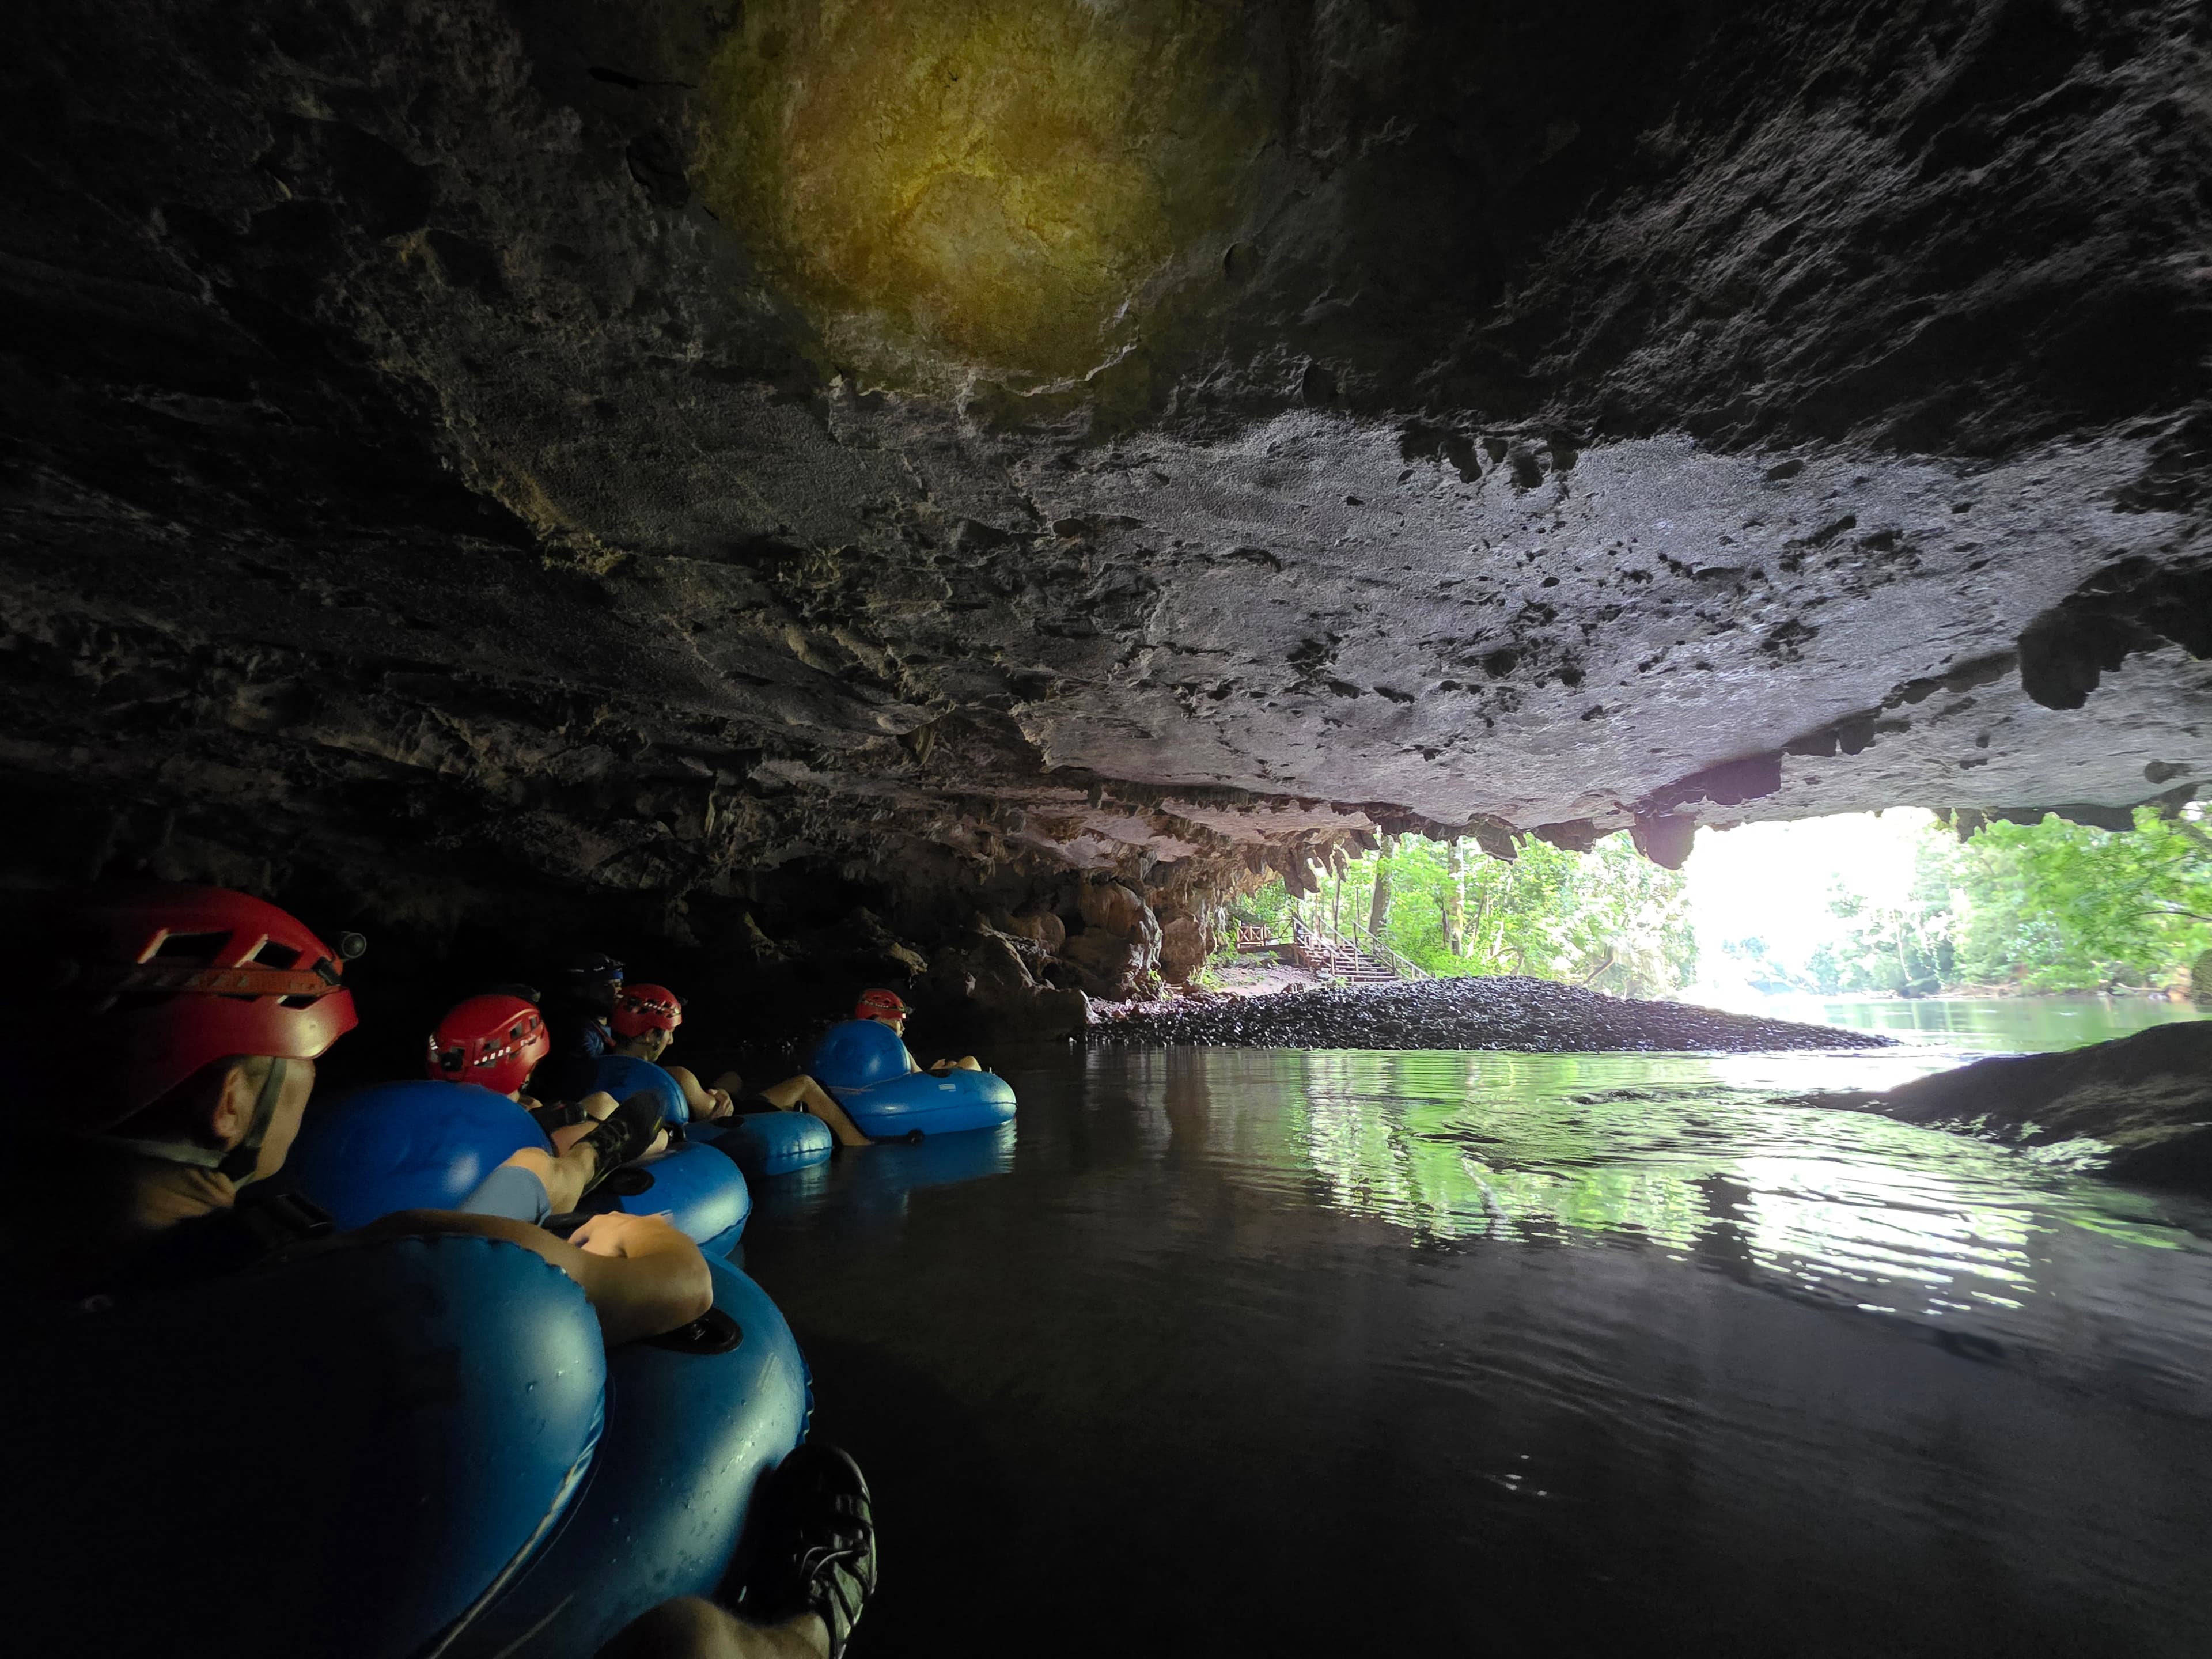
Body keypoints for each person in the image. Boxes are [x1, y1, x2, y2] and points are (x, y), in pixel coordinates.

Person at [9, 884, 876, 1658]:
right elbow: (680, 1288)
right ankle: (811, 1629)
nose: (313, 1089)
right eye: (302, 1067)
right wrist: (617, 1230)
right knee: (688, 1640)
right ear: (227, 1103)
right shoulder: (379, 1262)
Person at [428, 992, 662, 1216]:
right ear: (527, 1068)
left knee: (596, 1103)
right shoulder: (526, 1148)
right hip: (481, 1224)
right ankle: (598, 1152)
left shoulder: (409, 1104)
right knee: (592, 1128)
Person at [617, 983, 872, 1150]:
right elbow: (718, 1115)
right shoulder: (676, 1077)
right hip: (728, 1123)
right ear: (650, 1035)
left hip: (699, 1104)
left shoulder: (600, 1068)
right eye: (669, 1033)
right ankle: (861, 1148)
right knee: (804, 1084)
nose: (671, 1041)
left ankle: (729, 1086)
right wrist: (721, 1099)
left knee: (731, 1078)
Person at [853, 988, 981, 1074]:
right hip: (913, 1098)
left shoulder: (856, 1042)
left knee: (953, 1064)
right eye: (899, 1021)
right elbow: (917, 1078)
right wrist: (933, 1074)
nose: (903, 1028)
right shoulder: (892, 1046)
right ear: (882, 1019)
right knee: (970, 1062)